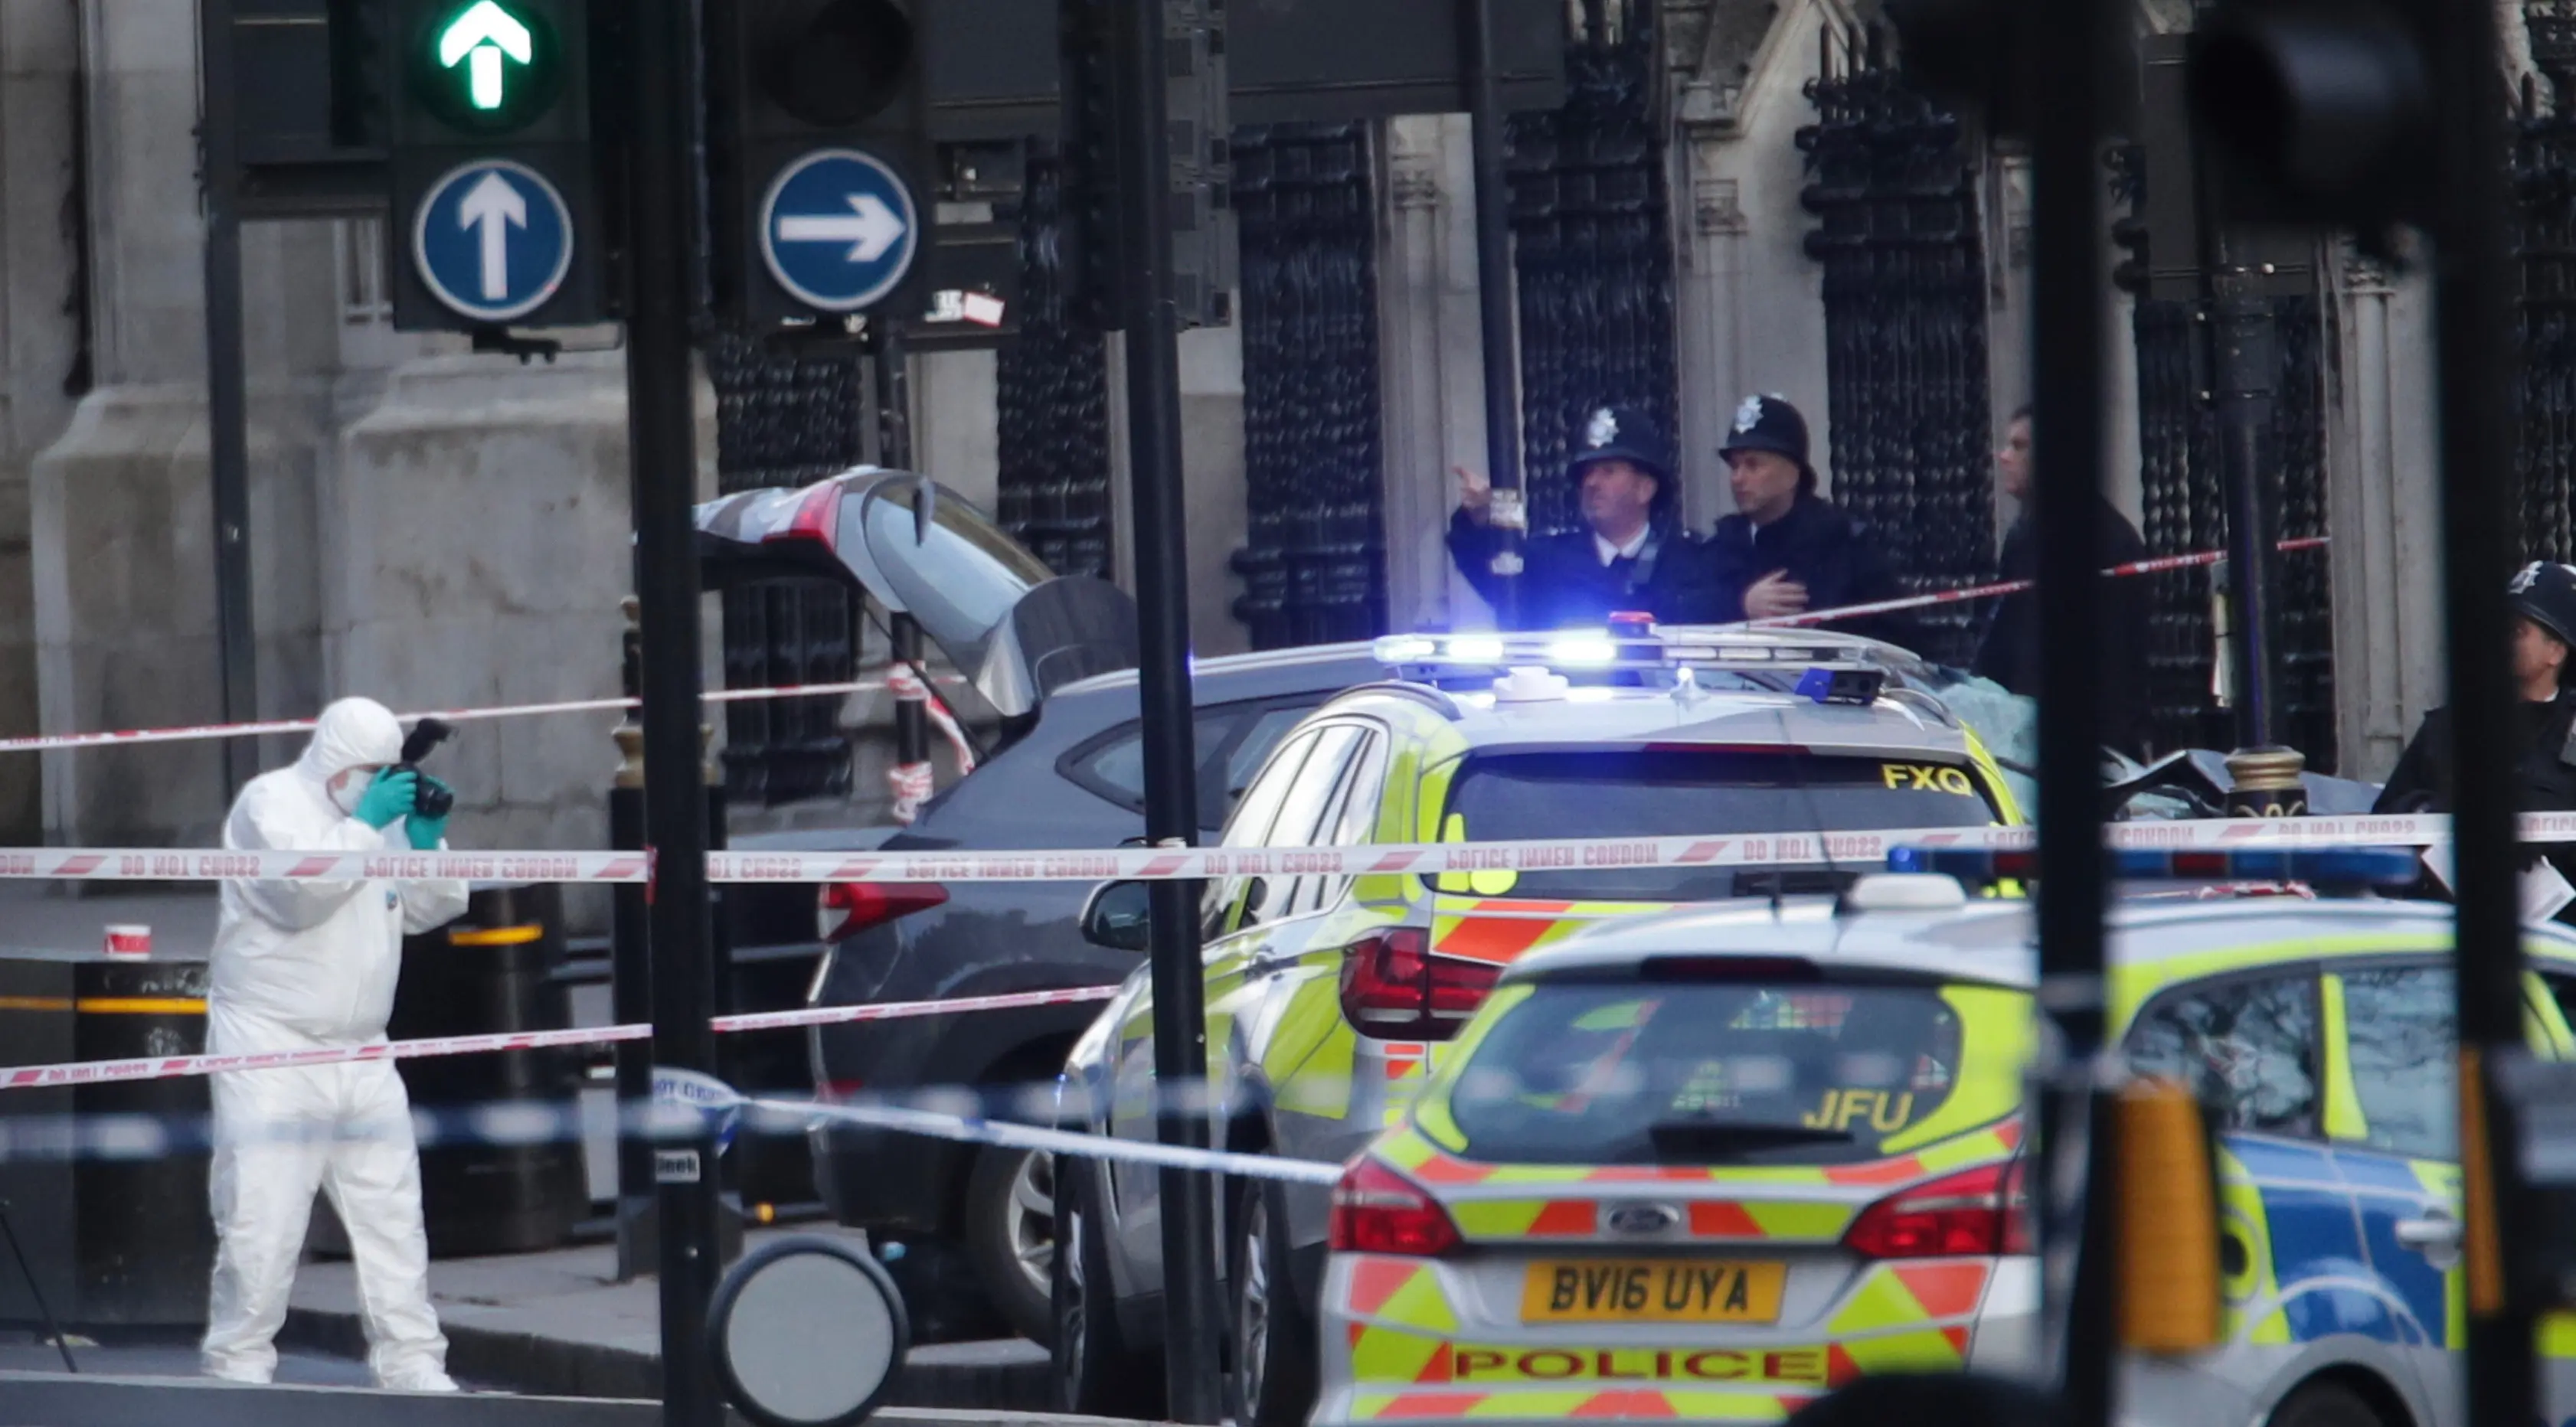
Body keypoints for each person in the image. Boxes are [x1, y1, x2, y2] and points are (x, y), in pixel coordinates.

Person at [201, 697, 469, 1392]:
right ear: (333, 762)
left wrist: (427, 841)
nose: (377, 783)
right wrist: (365, 827)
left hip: (361, 1051)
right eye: (368, 772)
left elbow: (424, 911)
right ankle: (239, 1366)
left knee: (393, 1219)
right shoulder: (270, 806)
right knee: (262, 1219)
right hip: (271, 1047)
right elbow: (297, 895)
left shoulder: (370, 824)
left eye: (389, 771)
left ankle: (413, 1360)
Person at [1972, 406, 2152, 757]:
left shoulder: (2099, 537)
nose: (2004, 457)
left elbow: (2113, 660)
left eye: (2019, 446)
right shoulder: (2027, 532)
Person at [1447, 404, 1718, 630]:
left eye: (1608, 471)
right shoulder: (1546, 560)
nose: (1591, 483)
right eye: (1587, 474)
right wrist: (1477, 520)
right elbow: (1491, 573)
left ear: (1645, 488)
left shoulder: (1690, 563)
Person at [1705, 393, 1911, 648]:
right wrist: (1742, 605)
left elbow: (1896, 635)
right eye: (1734, 467)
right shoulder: (1723, 544)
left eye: (1753, 465)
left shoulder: (1841, 543)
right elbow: (1683, 614)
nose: (1738, 478)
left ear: (1793, 473)